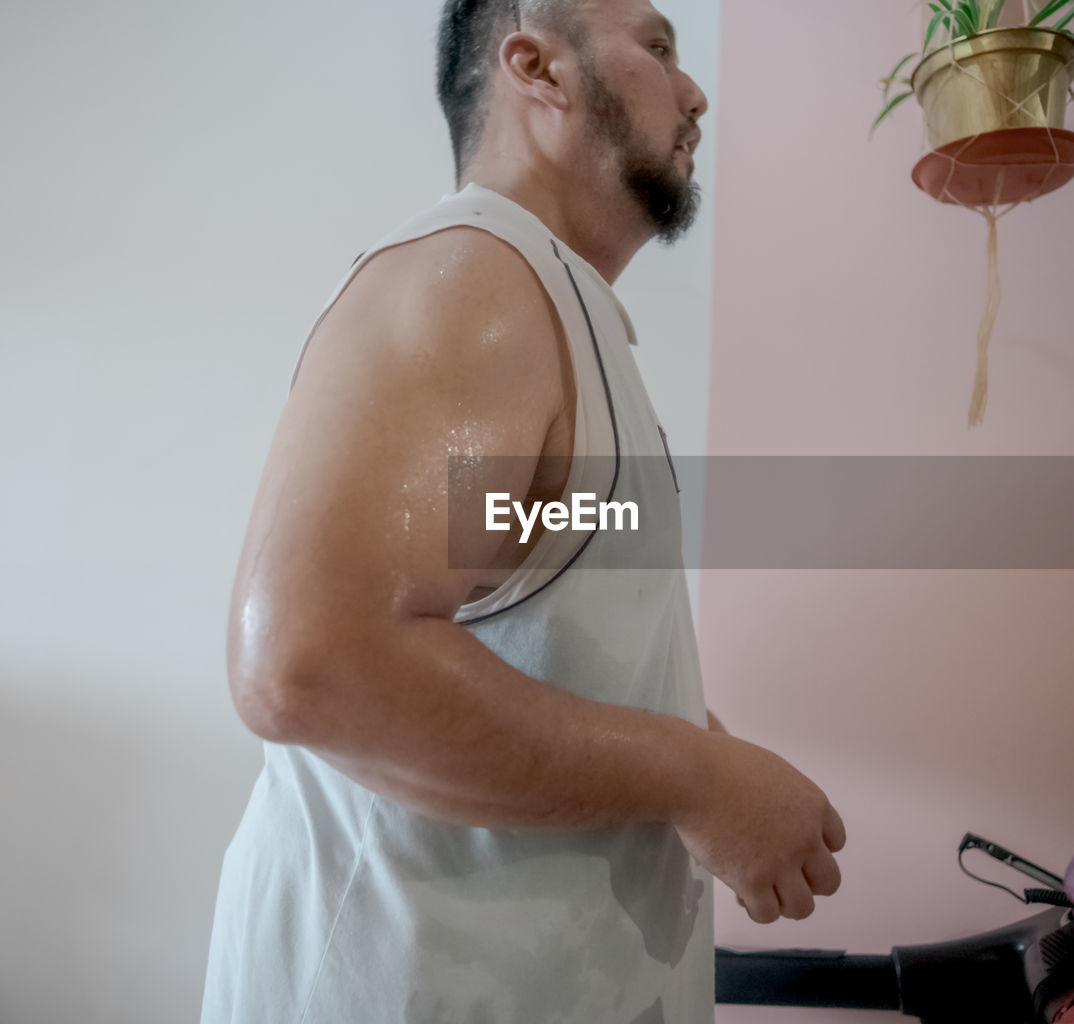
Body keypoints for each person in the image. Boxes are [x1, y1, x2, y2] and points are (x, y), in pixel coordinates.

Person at [200, 1, 845, 1021]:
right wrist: (696, 774)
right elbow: (311, 662)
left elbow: (538, 615)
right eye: (658, 47)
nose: (694, 93)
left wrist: (710, 749)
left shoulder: (559, 318)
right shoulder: (474, 277)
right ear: (536, 67)